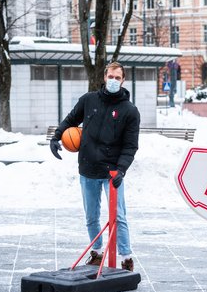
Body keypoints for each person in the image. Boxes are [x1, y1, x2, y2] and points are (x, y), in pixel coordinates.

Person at [49, 62, 140, 271]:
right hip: (88, 168)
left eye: (118, 78)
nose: (114, 81)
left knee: (118, 216)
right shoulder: (89, 100)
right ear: (104, 76)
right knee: (91, 216)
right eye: (111, 76)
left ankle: (126, 258)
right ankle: (97, 253)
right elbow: (71, 120)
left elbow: (130, 146)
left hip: (112, 172)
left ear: (123, 80)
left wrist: (122, 169)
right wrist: (56, 137)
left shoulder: (130, 111)